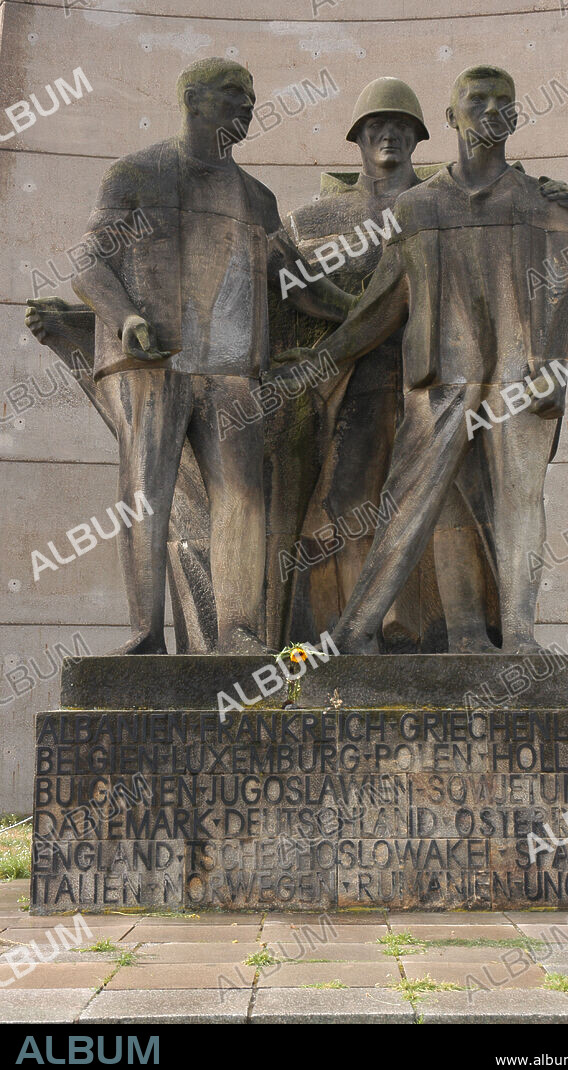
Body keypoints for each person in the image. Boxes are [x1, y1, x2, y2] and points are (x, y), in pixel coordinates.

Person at [276, 65, 568, 655]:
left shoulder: (538, 201)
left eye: (504, 100)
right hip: (440, 379)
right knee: (409, 502)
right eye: (477, 99)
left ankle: (521, 635)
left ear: (517, 115)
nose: (491, 109)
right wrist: (320, 360)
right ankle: (355, 629)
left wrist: (553, 362)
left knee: (518, 501)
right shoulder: (419, 208)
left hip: (520, 379)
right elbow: (380, 309)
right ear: (453, 116)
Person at [71, 58, 354, 655]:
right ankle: (145, 635)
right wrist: (127, 319)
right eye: (233, 93)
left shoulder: (256, 196)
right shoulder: (137, 174)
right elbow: (88, 263)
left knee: (242, 500)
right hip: (151, 364)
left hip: (229, 372)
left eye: (251, 96)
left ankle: (239, 633)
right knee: (147, 493)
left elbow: (299, 280)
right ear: (192, 100)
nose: (247, 105)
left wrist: (371, 307)